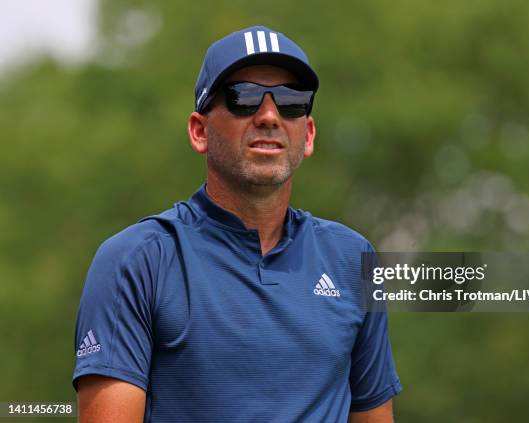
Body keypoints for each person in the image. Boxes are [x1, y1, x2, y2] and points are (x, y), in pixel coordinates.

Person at [73, 25, 402, 422]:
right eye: (243, 98)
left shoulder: (354, 259)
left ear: (309, 134)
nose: (268, 116)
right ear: (199, 132)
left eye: (291, 101)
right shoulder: (137, 261)